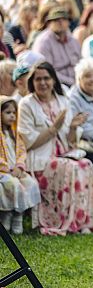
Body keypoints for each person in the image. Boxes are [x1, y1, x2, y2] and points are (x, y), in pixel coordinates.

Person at [17, 62, 93, 235]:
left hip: (64, 153)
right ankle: (69, 221)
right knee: (71, 167)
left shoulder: (62, 100)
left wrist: (72, 127)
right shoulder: (26, 104)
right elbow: (28, 143)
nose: (43, 83)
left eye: (46, 78)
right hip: (40, 159)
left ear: (53, 80)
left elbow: (71, 142)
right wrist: (53, 129)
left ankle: (87, 221)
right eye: (38, 79)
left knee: (86, 164)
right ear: (32, 82)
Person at [0, 96, 40, 234]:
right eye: (7, 112)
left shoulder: (15, 135)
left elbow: (22, 152)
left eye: (14, 112)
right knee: (14, 184)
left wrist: (19, 167)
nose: (12, 116)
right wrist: (7, 169)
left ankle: (18, 216)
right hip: (3, 172)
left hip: (16, 170)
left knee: (30, 183)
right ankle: (7, 215)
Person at [31, 7, 82, 88]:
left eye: (64, 19)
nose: (60, 22)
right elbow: (46, 71)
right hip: (56, 85)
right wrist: (72, 82)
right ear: (49, 23)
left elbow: (81, 63)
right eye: (56, 20)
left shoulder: (74, 41)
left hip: (78, 83)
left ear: (69, 22)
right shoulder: (43, 42)